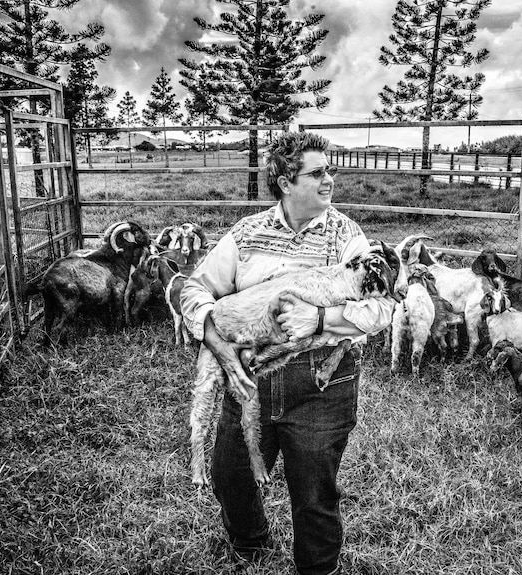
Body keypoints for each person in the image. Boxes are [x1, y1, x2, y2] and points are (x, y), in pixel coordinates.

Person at [181, 131, 394, 575]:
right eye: (317, 173)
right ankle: (250, 541)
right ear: (284, 181)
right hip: (250, 375)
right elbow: (196, 288)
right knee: (229, 473)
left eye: (329, 170)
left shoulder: (347, 237)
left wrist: (318, 321)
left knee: (314, 493)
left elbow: (382, 308)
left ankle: (317, 568)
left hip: (320, 382)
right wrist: (216, 342)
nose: (329, 180)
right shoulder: (247, 233)